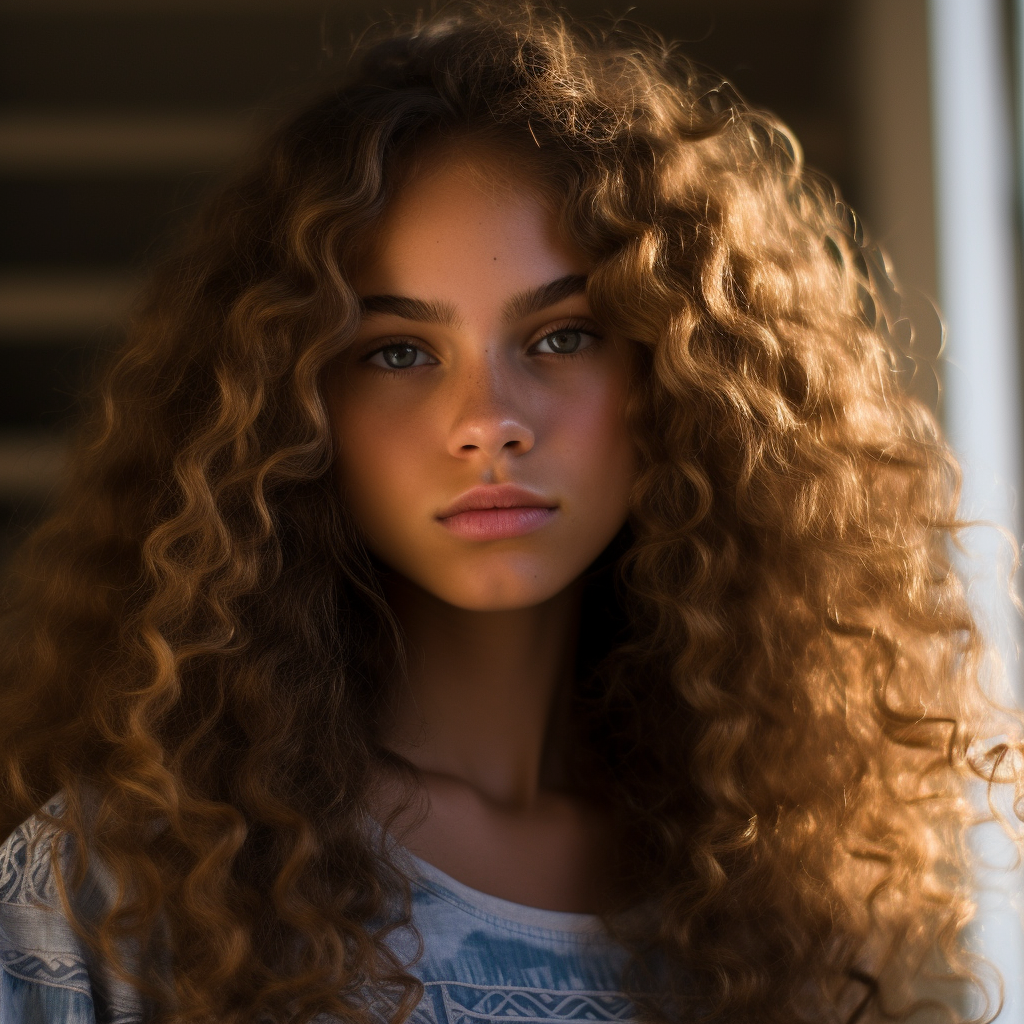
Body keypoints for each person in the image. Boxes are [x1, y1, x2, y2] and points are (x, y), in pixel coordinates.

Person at [0, 4, 1014, 1023]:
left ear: (675, 376)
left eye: (563, 336)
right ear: (290, 408)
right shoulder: (114, 890)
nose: (487, 422)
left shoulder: (804, 901)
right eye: (397, 352)